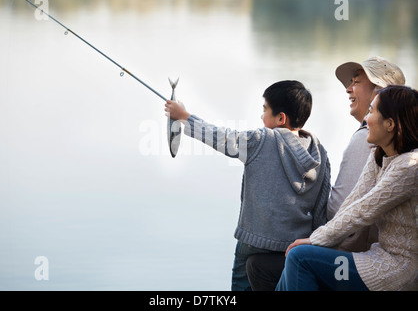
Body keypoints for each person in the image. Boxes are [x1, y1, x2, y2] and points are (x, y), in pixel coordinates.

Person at [246, 57, 406, 290]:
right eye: (349, 83)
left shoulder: (365, 140)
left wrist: (311, 238)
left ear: (379, 93)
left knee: (258, 264)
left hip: (356, 254)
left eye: (357, 82)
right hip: (368, 249)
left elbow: (343, 211)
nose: (348, 89)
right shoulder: (397, 138)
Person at [165, 80, 331, 291]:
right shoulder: (320, 154)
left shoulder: (262, 140)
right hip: (295, 245)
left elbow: (222, 139)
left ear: (281, 118)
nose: (261, 116)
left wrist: (184, 117)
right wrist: (313, 243)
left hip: (255, 242)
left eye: (265, 110)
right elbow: (321, 207)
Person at [276, 85, 418, 291]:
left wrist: (315, 239)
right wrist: (321, 242)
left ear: (389, 124)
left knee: (300, 258)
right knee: (299, 257)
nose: (366, 120)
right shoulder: (379, 155)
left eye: (371, 111)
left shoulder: (409, 166)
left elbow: (364, 211)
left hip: (398, 271)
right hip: (376, 257)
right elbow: (352, 203)